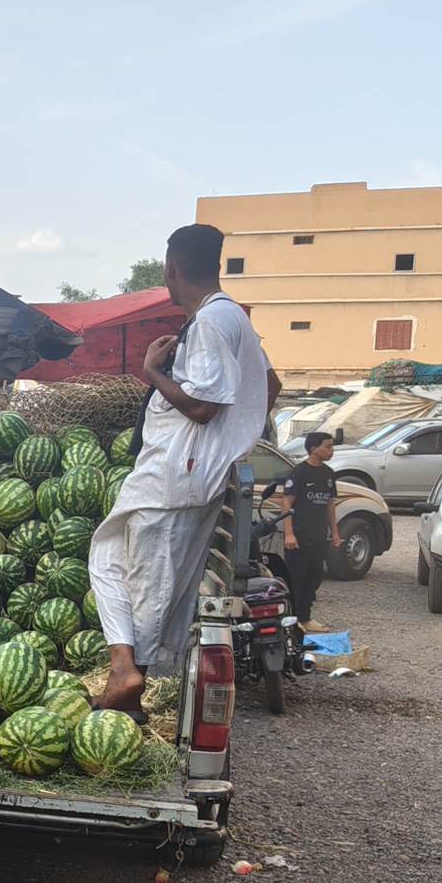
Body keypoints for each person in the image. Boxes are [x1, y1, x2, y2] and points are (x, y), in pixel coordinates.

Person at [89, 224, 271, 713]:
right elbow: (270, 385)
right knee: (146, 573)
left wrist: (151, 372)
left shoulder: (211, 323)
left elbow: (203, 407)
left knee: (127, 568)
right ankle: (131, 676)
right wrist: (232, 444)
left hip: (176, 472)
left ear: (171, 268)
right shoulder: (233, 320)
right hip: (194, 472)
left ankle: (127, 674)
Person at [276, 431, 340, 627]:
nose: (331, 450)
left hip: (318, 536)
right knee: (296, 579)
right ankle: (295, 619)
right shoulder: (299, 473)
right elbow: (286, 503)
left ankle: (305, 617)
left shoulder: (328, 473)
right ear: (313, 449)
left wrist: (335, 533)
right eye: (327, 446)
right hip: (299, 536)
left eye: (332, 447)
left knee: (314, 576)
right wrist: (289, 534)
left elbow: (329, 504)